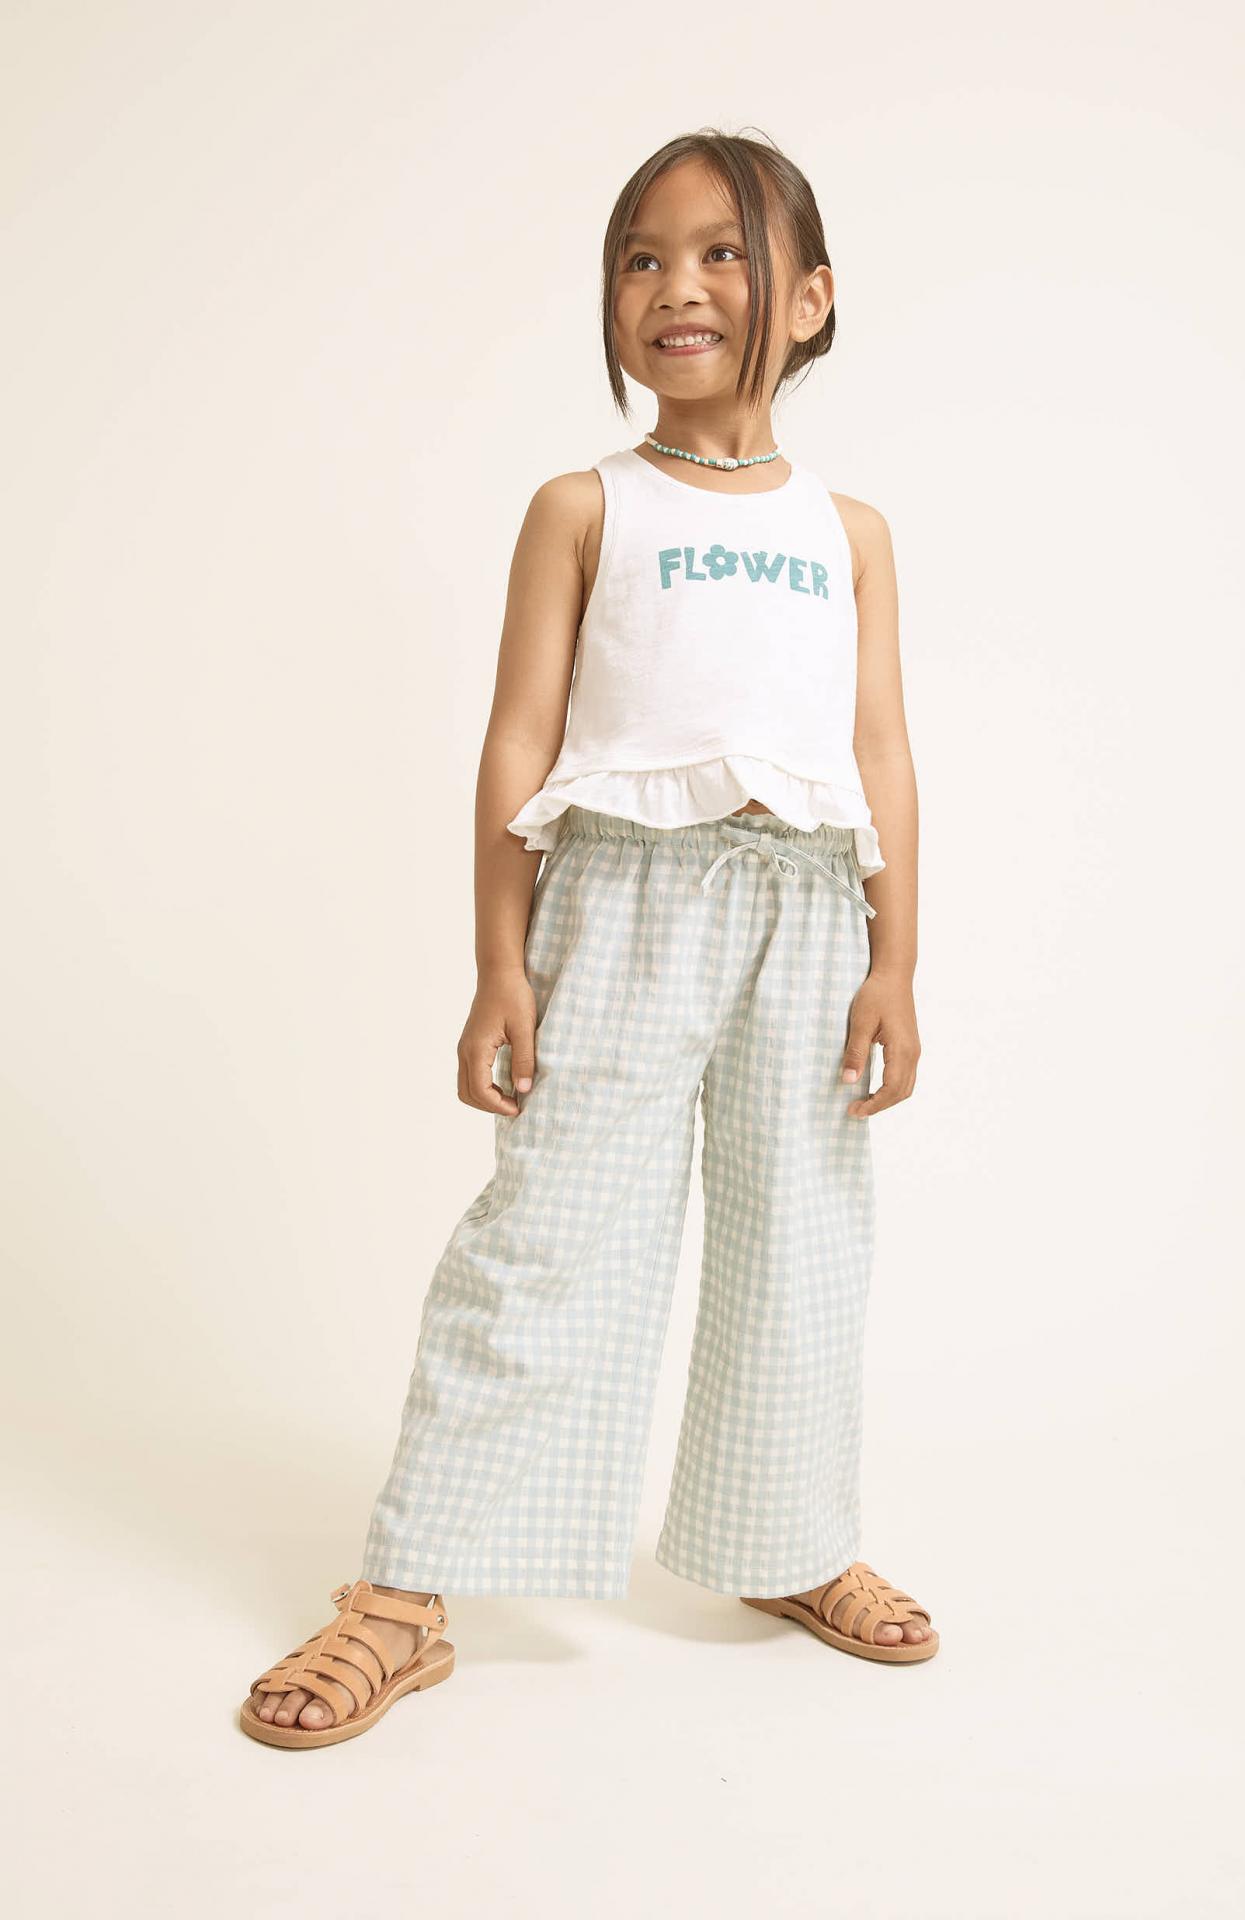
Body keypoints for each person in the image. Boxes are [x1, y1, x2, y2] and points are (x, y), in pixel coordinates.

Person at [240, 126, 936, 1750]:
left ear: (809, 299)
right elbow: (518, 740)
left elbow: (880, 750)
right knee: (546, 1238)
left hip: (806, 915)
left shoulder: (850, 531)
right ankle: (406, 1595)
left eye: (721, 252)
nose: (675, 285)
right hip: (620, 902)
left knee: (801, 1241)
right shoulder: (583, 506)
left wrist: (894, 959)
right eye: (640, 257)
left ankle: (785, 1542)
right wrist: (501, 959)